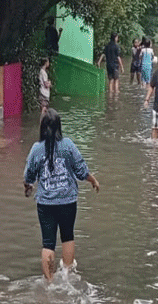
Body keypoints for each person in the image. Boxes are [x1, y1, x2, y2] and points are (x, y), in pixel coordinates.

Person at [23, 108, 100, 281]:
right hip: (68, 201)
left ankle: (49, 283)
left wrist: (27, 186)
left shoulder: (36, 149)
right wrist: (93, 180)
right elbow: (81, 171)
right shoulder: (68, 146)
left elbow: (29, 175)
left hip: (46, 204)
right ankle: (66, 277)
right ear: (59, 126)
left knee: (48, 243)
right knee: (68, 236)